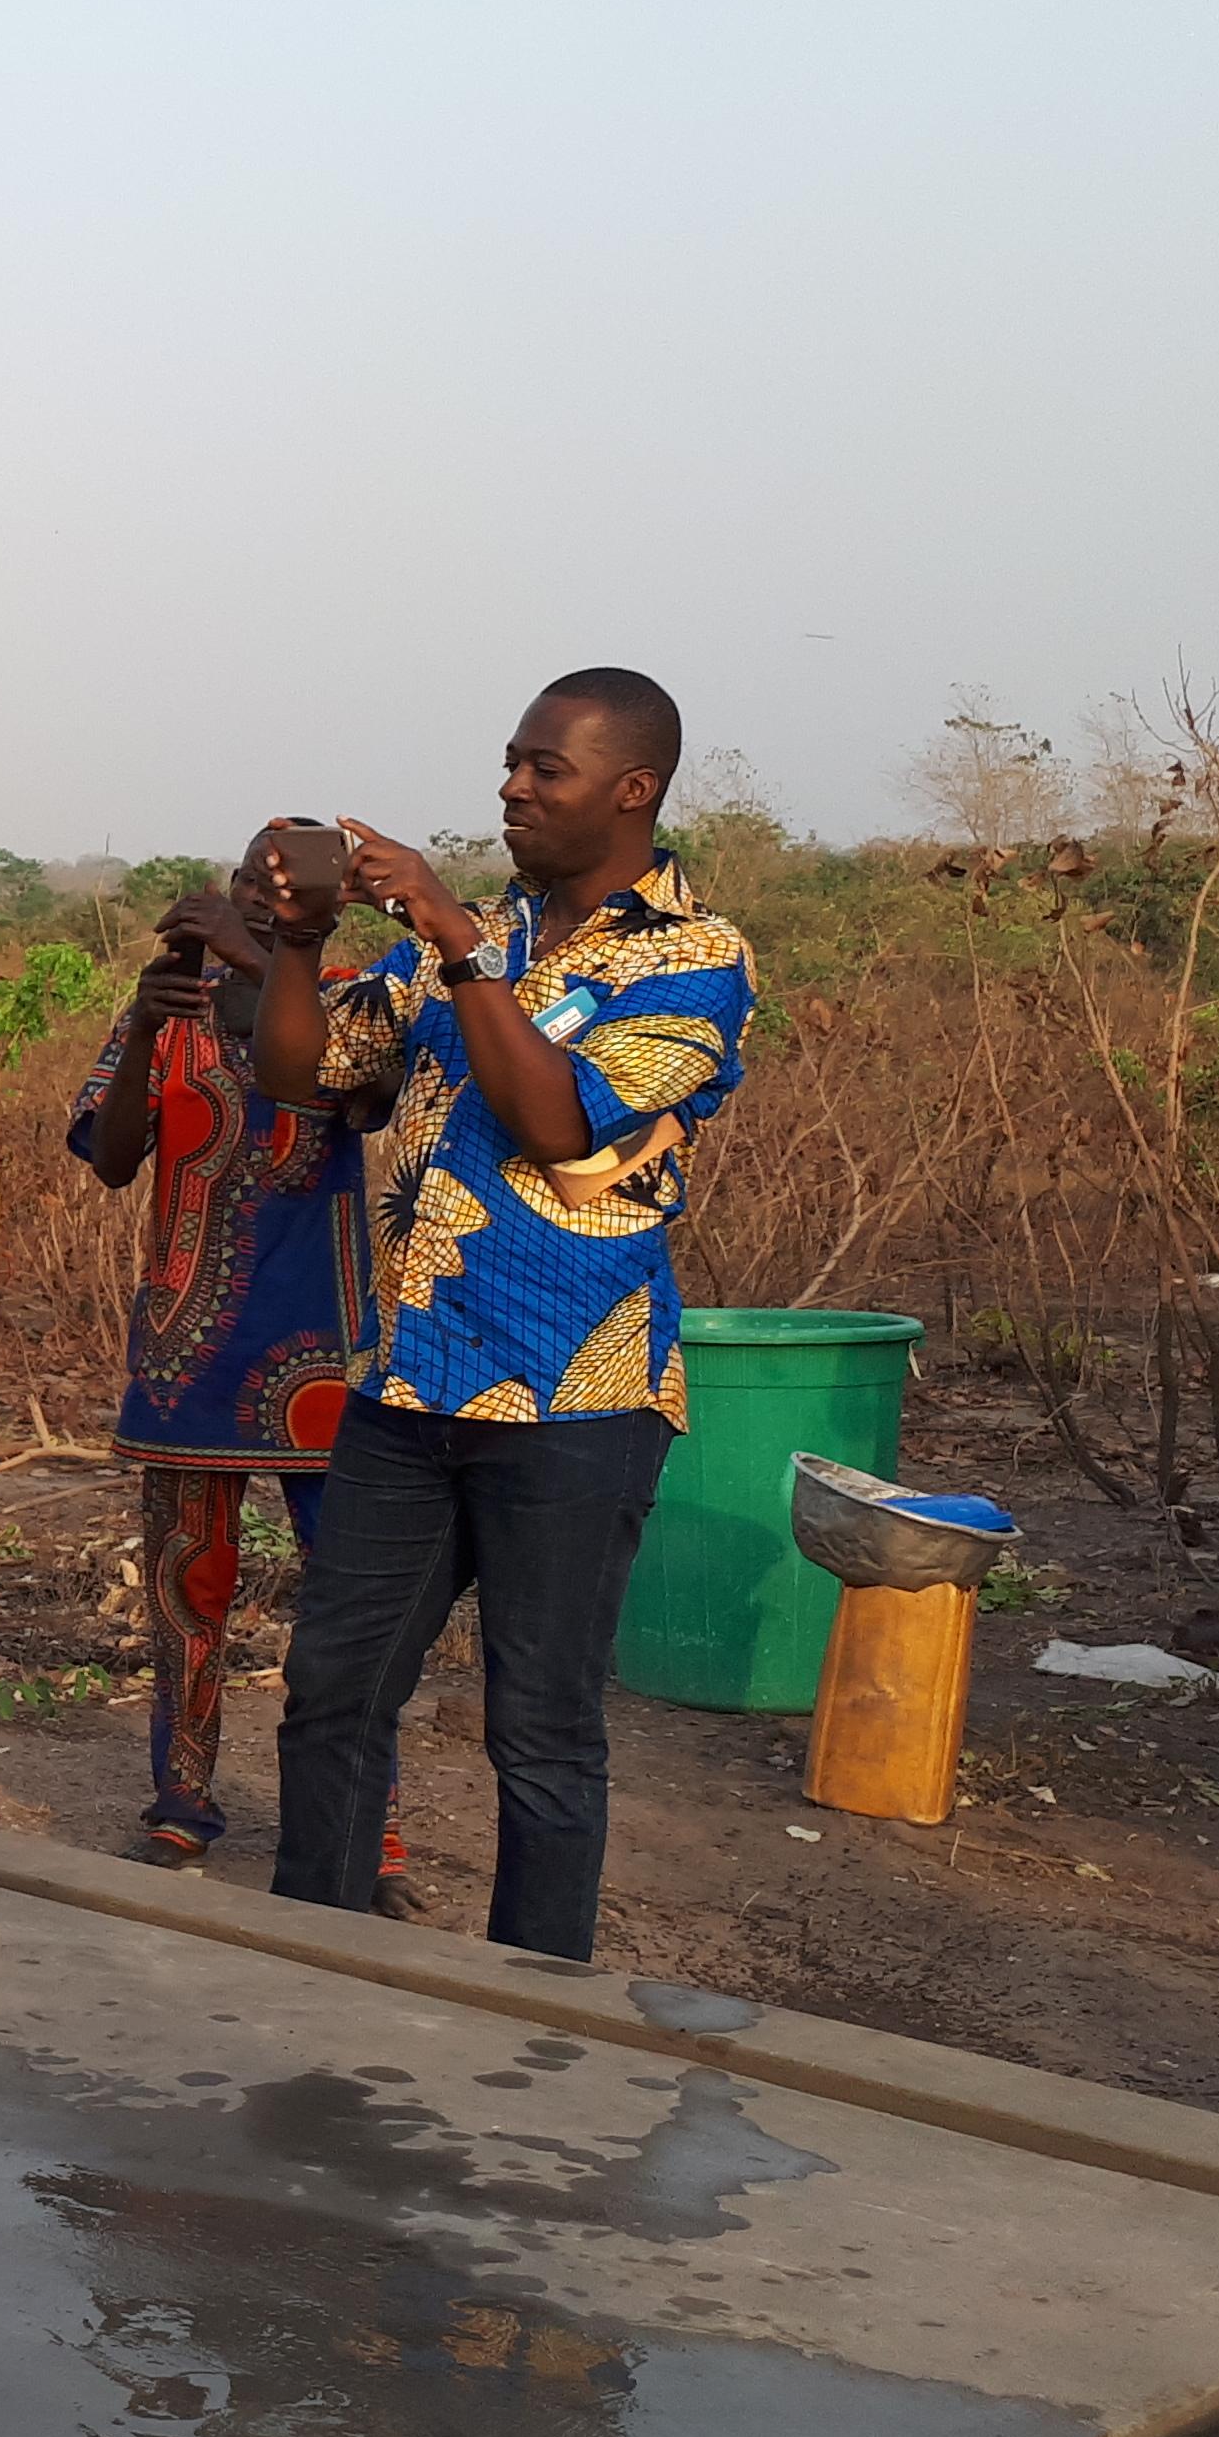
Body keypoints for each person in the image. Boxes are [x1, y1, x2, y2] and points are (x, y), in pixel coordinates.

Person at [247, 667, 757, 1961]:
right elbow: (306, 1074)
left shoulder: (694, 959)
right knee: (332, 1696)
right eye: (512, 762)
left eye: (546, 768)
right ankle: (320, 1978)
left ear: (633, 790)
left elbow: (558, 1124)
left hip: (573, 1403)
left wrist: (458, 947)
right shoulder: (460, 939)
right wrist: (299, 942)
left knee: (539, 1732)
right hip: (410, 1385)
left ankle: (534, 2037)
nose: (512, 787)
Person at [64, 837, 409, 1907]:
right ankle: (182, 1809)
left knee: (355, 1608)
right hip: (188, 1351)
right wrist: (149, 1023)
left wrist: (255, 962)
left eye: (293, 871)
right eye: (256, 864)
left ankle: (371, 1836)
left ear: (333, 900)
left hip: (322, 1354)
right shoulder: (174, 1008)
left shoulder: (357, 1003)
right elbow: (114, 1157)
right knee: (184, 1593)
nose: (266, 881)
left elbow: (360, 1097)